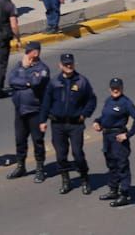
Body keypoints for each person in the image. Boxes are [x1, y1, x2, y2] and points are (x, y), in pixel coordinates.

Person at [39, 53, 97, 195]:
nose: (68, 66)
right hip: (57, 125)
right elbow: (46, 102)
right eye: (65, 64)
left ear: (74, 64)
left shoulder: (82, 81)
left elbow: (91, 100)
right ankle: (66, 181)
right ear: (60, 65)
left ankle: (84, 179)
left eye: (70, 63)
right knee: (61, 155)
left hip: (75, 124)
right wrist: (42, 120)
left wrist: (85, 114)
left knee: (77, 154)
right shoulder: (54, 82)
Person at [94, 77, 135, 207]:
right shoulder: (108, 100)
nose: (115, 90)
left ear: (122, 88)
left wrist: (127, 135)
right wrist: (97, 122)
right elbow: (104, 117)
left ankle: (125, 194)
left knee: (122, 165)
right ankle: (113, 190)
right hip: (107, 136)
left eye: (118, 88)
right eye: (113, 88)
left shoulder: (126, 102)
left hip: (118, 137)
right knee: (111, 164)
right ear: (109, 88)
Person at [7, 41, 50, 182]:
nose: (25, 54)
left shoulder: (42, 68)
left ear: (35, 53)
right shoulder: (20, 66)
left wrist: (25, 79)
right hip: (20, 110)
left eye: (28, 51)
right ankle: (21, 166)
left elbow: (37, 82)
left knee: (37, 141)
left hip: (35, 111)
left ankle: (40, 168)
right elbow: (11, 80)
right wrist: (26, 80)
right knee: (20, 140)